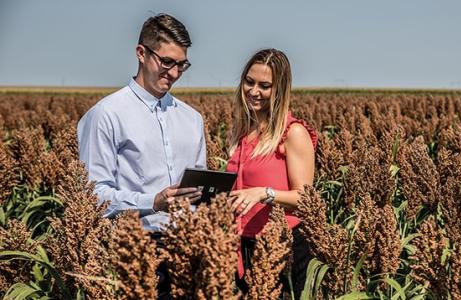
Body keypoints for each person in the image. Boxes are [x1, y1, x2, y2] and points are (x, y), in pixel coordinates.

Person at [77, 13, 204, 298]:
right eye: (167, 62)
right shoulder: (106, 115)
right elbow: (92, 196)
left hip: (186, 249)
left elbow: (199, 190)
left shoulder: (192, 119)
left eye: (181, 65)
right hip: (134, 247)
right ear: (141, 53)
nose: (173, 73)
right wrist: (154, 202)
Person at [226, 48, 317, 298]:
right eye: (249, 82)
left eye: (264, 86)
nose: (254, 91)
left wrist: (263, 194)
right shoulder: (243, 131)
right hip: (244, 245)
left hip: (283, 246)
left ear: (280, 90)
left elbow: (305, 199)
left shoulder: (293, 132)